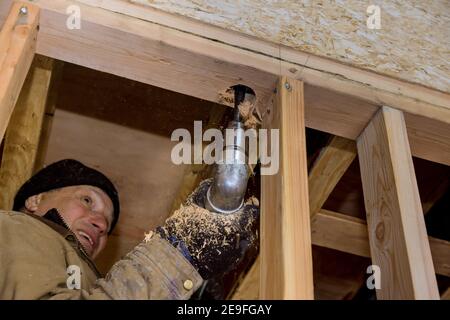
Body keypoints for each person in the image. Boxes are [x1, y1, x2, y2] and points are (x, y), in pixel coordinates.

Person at [0, 159, 258, 299]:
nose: (101, 225)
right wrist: (178, 255)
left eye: (107, 224)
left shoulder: (87, 280)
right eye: (87, 200)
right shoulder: (15, 227)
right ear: (35, 200)